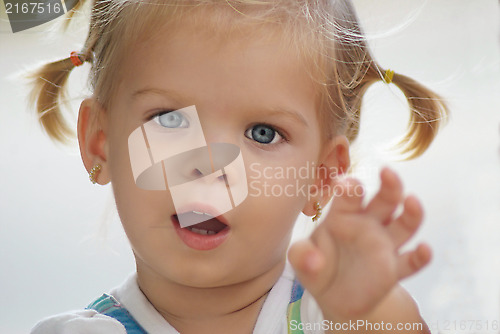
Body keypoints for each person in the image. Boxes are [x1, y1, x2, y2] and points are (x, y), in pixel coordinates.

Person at [28, 0, 447, 333]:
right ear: (100, 142)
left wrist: (374, 312)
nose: (210, 163)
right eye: (169, 119)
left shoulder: (334, 318)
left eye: (263, 133)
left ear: (320, 176)